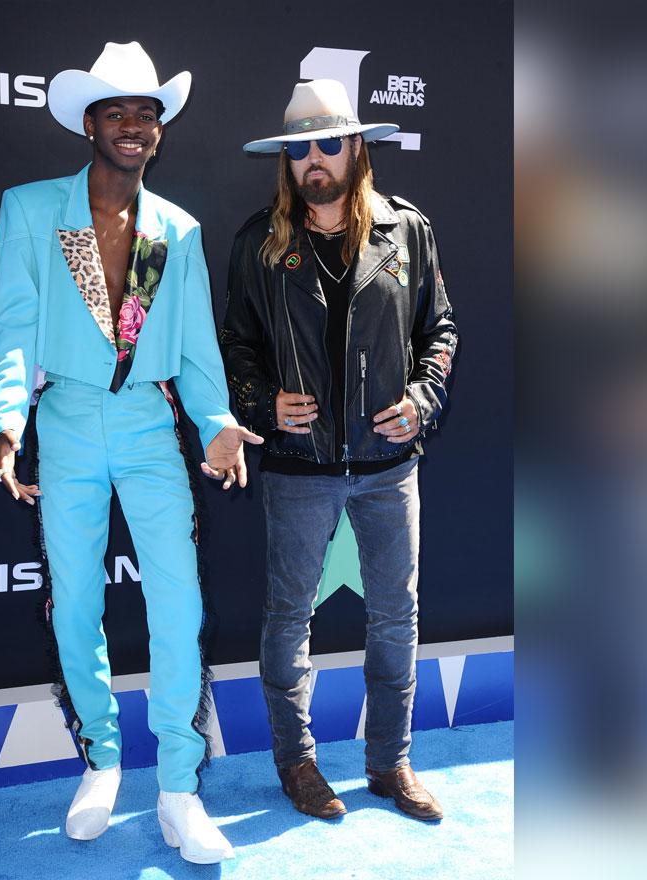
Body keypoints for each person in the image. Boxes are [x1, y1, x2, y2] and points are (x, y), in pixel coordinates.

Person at [0, 41, 260, 863]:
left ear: (159, 129)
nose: (135, 126)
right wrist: (6, 424)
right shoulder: (30, 210)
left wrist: (215, 421)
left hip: (146, 426)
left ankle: (178, 786)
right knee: (74, 600)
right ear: (90, 124)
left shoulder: (179, 228)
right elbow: (13, 325)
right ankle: (101, 758)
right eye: (119, 112)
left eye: (148, 113)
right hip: (64, 418)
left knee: (178, 603)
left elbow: (200, 347)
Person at [220, 78, 458, 821]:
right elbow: (233, 347)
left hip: (389, 470)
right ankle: (297, 765)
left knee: (397, 618)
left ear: (358, 148)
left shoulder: (407, 230)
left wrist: (420, 404)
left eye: (328, 143)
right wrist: (263, 403)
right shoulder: (257, 242)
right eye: (300, 149)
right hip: (298, 470)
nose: (314, 160)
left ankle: (390, 763)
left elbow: (440, 333)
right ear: (286, 162)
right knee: (289, 620)